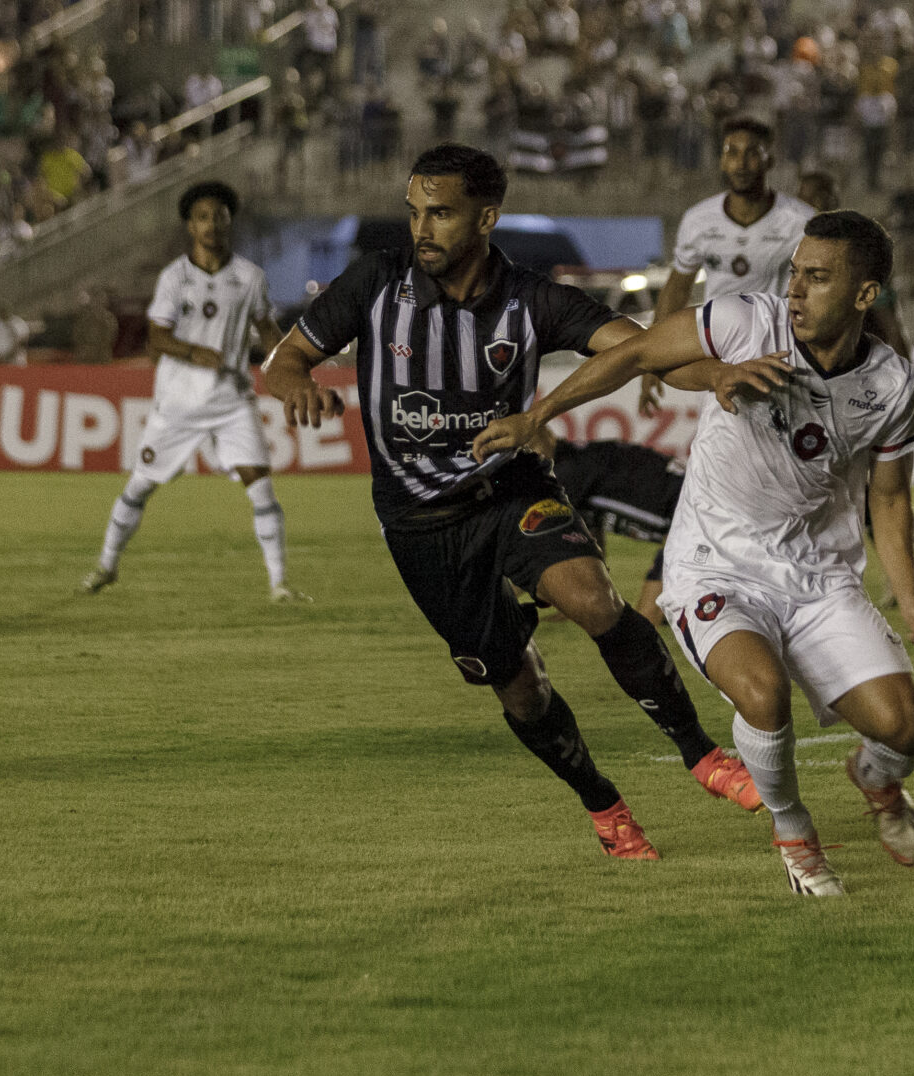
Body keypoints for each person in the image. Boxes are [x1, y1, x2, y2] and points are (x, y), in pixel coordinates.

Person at [260, 145, 761, 862]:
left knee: (592, 599)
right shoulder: (375, 281)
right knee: (519, 688)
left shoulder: (533, 299)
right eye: (414, 212)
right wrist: (298, 385)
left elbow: (641, 349)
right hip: (420, 529)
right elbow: (282, 363)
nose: (421, 229)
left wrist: (717, 373)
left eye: (440, 213)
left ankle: (702, 755)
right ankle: (603, 803)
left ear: (486, 218)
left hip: (510, 491)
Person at [473, 211, 914, 898]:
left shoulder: (890, 386)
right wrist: (536, 417)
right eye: (795, 274)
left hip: (818, 578)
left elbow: (891, 501)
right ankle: (795, 836)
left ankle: (875, 781)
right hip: (715, 563)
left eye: (818, 279)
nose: (796, 291)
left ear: (865, 295)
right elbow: (637, 353)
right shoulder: (744, 321)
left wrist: (911, 598)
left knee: (905, 731)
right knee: (762, 693)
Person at [81, 181, 304, 602]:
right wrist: (194, 351)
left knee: (260, 485)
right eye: (203, 218)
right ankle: (106, 565)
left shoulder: (249, 277)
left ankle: (279, 584)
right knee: (140, 486)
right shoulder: (173, 278)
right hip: (178, 402)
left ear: (228, 221)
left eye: (219, 216)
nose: (212, 225)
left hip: (232, 399)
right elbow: (156, 340)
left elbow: (268, 330)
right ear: (190, 225)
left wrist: (291, 366)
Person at [640, 117, 816, 409]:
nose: (741, 163)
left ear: (769, 159)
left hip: (781, 356)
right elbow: (676, 290)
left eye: (751, 153)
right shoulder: (698, 220)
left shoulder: (801, 221)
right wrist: (650, 362)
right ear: (721, 160)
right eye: (731, 152)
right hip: (718, 360)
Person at [551, 435, 686, 624]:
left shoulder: (567, 475)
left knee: (647, 618)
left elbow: (537, 553)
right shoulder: (585, 463)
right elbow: (589, 540)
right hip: (696, 503)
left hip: (695, 517)